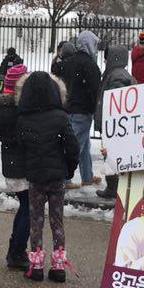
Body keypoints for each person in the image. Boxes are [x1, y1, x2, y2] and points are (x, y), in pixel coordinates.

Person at [15, 71, 80, 282]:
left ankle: (36, 265)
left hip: (36, 177)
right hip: (57, 176)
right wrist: (68, 169)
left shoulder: (23, 119)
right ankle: (59, 265)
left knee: (37, 221)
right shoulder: (60, 117)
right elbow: (72, 146)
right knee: (57, 220)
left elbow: (21, 148)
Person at [0, 62, 31, 270]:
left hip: (11, 165)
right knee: (29, 209)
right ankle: (17, 251)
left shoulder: (2, 109)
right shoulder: (18, 110)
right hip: (24, 165)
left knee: (25, 207)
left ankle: (15, 250)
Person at [60, 31, 102, 189]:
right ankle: (64, 178)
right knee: (76, 145)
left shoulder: (70, 62)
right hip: (83, 110)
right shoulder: (89, 64)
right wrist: (95, 107)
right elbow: (95, 89)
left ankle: (87, 176)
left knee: (83, 145)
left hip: (70, 108)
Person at [95, 47, 135, 200]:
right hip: (113, 125)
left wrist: (109, 118)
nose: (105, 61)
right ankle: (114, 187)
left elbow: (117, 101)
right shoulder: (117, 73)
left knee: (111, 156)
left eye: (107, 57)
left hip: (114, 126)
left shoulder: (117, 75)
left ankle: (114, 188)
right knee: (111, 156)